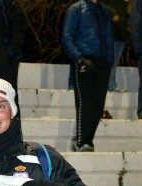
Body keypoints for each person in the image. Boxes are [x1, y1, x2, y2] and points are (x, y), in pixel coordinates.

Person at [61, 0, 115, 152]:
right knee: (85, 103)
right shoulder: (76, 9)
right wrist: (78, 58)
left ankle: (88, 141)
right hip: (84, 60)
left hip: (102, 62)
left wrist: (109, 61)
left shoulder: (104, 10)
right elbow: (67, 36)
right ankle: (80, 142)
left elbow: (109, 38)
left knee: (98, 105)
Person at [106, 0, 132, 92]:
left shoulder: (128, 4)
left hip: (121, 38)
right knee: (111, 62)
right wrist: (114, 14)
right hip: (113, 37)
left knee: (114, 62)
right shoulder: (115, 3)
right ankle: (110, 86)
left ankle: (110, 85)